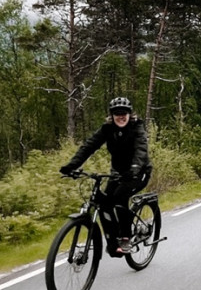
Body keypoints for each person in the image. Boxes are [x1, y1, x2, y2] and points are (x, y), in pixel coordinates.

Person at [60, 97, 152, 256]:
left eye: (124, 113)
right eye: (117, 113)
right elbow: (89, 146)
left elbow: (141, 150)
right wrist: (72, 166)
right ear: (112, 115)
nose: (121, 116)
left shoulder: (137, 127)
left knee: (120, 197)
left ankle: (125, 237)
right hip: (117, 173)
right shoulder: (107, 129)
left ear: (130, 114)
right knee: (103, 203)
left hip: (139, 173)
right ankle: (112, 242)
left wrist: (135, 169)